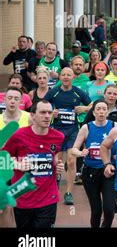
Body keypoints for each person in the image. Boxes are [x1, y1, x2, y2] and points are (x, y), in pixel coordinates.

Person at [2, 100, 65, 228]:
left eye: (49, 112)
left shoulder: (58, 137)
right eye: (42, 112)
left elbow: (54, 157)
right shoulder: (18, 135)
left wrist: (58, 166)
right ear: (32, 115)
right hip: (24, 198)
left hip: (48, 197)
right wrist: (18, 164)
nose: (47, 116)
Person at [44, 68, 91, 205]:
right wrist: (51, 111)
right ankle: (54, 187)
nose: (65, 77)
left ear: (73, 77)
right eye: (63, 74)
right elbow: (40, 105)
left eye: (68, 75)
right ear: (60, 76)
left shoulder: (77, 91)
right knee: (57, 161)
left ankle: (69, 193)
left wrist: (84, 108)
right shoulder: (54, 91)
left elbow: (92, 104)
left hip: (72, 130)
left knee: (71, 161)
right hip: (57, 131)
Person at [71, 99, 117, 227]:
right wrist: (80, 153)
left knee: (109, 209)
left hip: (109, 171)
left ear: (108, 111)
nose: (101, 112)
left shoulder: (115, 126)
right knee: (96, 210)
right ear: (93, 112)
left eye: (104, 109)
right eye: (98, 109)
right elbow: (74, 149)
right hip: (90, 172)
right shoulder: (86, 128)